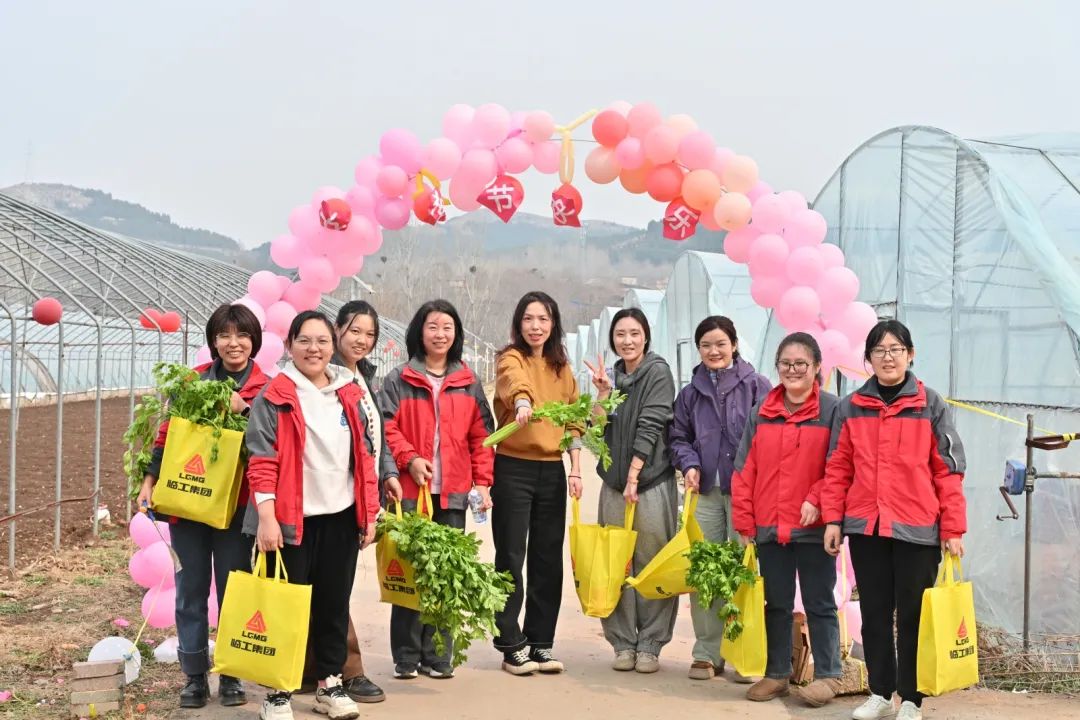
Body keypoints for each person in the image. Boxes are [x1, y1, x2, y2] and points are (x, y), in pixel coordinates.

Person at [821, 320, 967, 720]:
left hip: (917, 528)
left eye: (896, 349)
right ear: (868, 359)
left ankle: (912, 699)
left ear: (910, 354)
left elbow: (948, 471)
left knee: (914, 617)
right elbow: (837, 467)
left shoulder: (929, 404)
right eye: (880, 351)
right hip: (867, 527)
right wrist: (833, 520)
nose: (888, 357)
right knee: (874, 614)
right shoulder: (851, 406)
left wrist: (953, 528)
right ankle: (881, 694)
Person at [244, 310, 381, 720]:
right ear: (289, 346)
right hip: (291, 520)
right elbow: (261, 459)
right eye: (304, 340)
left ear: (332, 344)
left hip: (340, 516)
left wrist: (368, 513)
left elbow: (365, 456)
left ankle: (329, 684)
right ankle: (278, 692)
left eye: (322, 341)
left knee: (333, 604)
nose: (314, 349)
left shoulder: (348, 392)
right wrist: (267, 518)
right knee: (286, 606)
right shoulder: (276, 394)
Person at [136, 303, 267, 709]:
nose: (233, 343)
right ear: (213, 342)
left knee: (233, 589)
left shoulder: (266, 389)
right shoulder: (192, 382)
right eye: (224, 335)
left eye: (242, 335)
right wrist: (149, 480)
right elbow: (167, 434)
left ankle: (230, 674)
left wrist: (247, 410)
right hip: (187, 505)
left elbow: (273, 442)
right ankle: (194, 676)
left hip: (236, 508)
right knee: (190, 588)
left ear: (254, 341)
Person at [379, 299, 494, 681]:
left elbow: (482, 437)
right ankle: (406, 656)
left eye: (447, 327)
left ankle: (439, 655)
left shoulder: (468, 381)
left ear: (456, 334)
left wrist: (482, 482)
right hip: (411, 491)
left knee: (445, 575)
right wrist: (410, 458)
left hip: (453, 493)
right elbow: (385, 427)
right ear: (419, 331)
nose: (440, 334)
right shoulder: (399, 378)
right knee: (409, 571)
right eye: (433, 326)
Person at [295, 301, 402, 703]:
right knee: (328, 591)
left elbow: (373, 436)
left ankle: (318, 669)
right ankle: (346, 670)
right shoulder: (325, 377)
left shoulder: (363, 376)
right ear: (337, 330)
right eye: (354, 331)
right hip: (319, 499)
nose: (362, 340)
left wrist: (387, 474)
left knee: (332, 587)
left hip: (354, 494)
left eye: (370, 334)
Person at [730, 332, 843, 706]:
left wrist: (818, 499)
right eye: (785, 364)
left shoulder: (832, 410)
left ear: (816, 367)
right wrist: (745, 522)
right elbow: (744, 469)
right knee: (776, 603)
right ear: (777, 367)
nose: (793, 370)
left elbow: (840, 465)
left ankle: (828, 675)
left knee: (819, 601)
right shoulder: (762, 411)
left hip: (814, 529)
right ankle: (777, 673)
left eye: (801, 364)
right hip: (770, 524)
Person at [669, 315, 771, 681]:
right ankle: (707, 652)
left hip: (746, 493)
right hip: (707, 493)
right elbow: (678, 437)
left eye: (720, 344)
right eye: (706, 345)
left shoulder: (757, 386)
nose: (714, 351)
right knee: (706, 570)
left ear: (734, 345)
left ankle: (742, 651)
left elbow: (768, 437)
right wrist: (690, 464)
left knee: (743, 570)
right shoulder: (690, 394)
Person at [491, 291, 583, 676]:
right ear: (519, 323)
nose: (535, 326)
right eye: (528, 319)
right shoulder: (510, 357)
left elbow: (575, 420)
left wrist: (575, 468)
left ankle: (541, 641)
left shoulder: (562, 368)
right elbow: (514, 383)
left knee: (548, 557)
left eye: (543, 319)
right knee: (511, 556)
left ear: (553, 323)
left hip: (551, 470)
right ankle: (511, 644)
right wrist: (523, 403)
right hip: (513, 467)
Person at [584, 308, 678, 674]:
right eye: (620, 334)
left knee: (652, 562)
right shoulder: (612, 377)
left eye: (634, 333)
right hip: (614, 484)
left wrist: (635, 476)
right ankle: (622, 643)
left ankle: (651, 644)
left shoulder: (658, 372)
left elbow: (651, 424)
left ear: (646, 336)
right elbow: (595, 430)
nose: (627, 341)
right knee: (615, 561)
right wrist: (603, 394)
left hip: (650, 482)